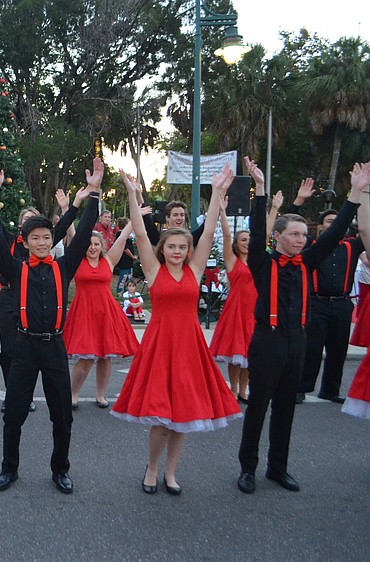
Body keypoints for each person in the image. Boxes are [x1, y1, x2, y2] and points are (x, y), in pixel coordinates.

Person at [237, 160, 370, 495]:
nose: (301, 239)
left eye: (304, 235)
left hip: (298, 339)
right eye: (294, 235)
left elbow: (336, 233)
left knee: (285, 408)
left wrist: (355, 194)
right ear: (278, 237)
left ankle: (277, 468)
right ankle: (247, 469)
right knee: (258, 407)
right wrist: (261, 190)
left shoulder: (307, 260)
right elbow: (256, 232)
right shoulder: (263, 263)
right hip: (266, 339)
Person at [112, 166, 241, 496]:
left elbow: (209, 232)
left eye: (183, 248)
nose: (177, 252)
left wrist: (215, 196)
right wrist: (130, 193)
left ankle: (171, 472)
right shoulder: (154, 271)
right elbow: (140, 234)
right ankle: (152, 467)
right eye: (172, 247)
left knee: (183, 414)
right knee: (160, 417)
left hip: (189, 346)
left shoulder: (195, 271)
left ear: (188, 250)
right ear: (163, 250)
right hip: (160, 345)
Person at [0, 164, 98, 494]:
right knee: (14, 416)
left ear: (53, 240)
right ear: (26, 241)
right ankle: (9, 468)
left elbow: (86, 230)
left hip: (54, 349)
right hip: (23, 349)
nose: (42, 242)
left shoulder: (64, 266)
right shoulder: (16, 268)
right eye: (35, 238)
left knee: (62, 417)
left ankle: (60, 469)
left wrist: (92, 194)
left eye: (47, 237)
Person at [0, 165, 92, 413]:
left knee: (37, 351)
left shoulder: (45, 246)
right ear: (21, 229)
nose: (35, 231)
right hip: (10, 296)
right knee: (8, 349)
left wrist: (75, 205)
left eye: (36, 222)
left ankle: (33, 395)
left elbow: (63, 230)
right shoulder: (10, 242)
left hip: (36, 298)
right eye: (27, 222)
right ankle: (12, 393)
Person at [296, 200, 365, 404]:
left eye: (336, 221)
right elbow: (291, 222)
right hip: (317, 303)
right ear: (320, 226)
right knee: (312, 349)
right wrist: (298, 202)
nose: (334, 224)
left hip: (342, 304)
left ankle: (330, 390)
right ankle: (302, 387)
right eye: (328, 221)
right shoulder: (311, 246)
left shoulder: (351, 246)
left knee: (338, 350)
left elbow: (366, 228)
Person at [65, 222, 139, 409]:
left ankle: (100, 395)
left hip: (106, 313)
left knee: (106, 357)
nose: (93, 247)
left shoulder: (109, 260)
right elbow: (74, 235)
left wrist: (134, 219)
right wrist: (67, 209)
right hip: (84, 313)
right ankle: (73, 394)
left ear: (102, 246)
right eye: (89, 244)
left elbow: (122, 238)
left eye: (97, 244)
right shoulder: (77, 260)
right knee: (86, 358)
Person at [209, 199, 256, 403]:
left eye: (249, 239)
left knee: (249, 355)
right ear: (237, 244)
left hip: (255, 310)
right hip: (237, 309)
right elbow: (227, 236)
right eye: (243, 240)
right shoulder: (232, 260)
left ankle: (244, 390)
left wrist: (273, 210)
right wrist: (222, 211)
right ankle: (233, 388)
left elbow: (267, 232)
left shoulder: (258, 260)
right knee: (236, 352)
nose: (246, 242)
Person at [114, 217, 136, 294]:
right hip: (124, 261)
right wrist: (132, 256)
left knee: (129, 278)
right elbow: (125, 249)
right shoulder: (120, 234)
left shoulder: (126, 235)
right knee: (123, 278)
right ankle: (119, 294)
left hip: (128, 262)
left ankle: (128, 293)